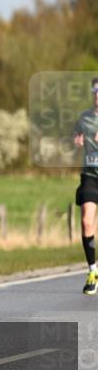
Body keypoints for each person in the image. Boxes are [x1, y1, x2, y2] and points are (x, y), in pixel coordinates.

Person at [73, 76, 98, 295]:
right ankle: (93, 271)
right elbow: (74, 139)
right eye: (96, 91)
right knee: (86, 221)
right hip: (90, 175)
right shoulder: (84, 118)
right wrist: (76, 141)